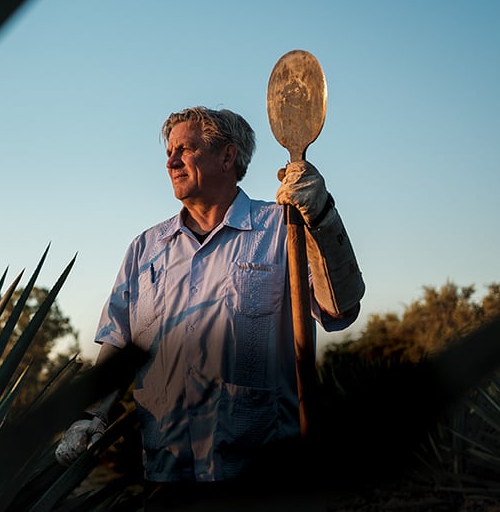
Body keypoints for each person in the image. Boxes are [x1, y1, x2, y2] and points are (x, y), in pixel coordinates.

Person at [55, 106, 364, 501]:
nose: (171, 161)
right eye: (169, 152)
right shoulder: (145, 249)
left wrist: (321, 215)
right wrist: (91, 415)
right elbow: (118, 342)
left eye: (186, 149)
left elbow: (341, 308)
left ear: (227, 156)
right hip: (166, 472)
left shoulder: (283, 229)